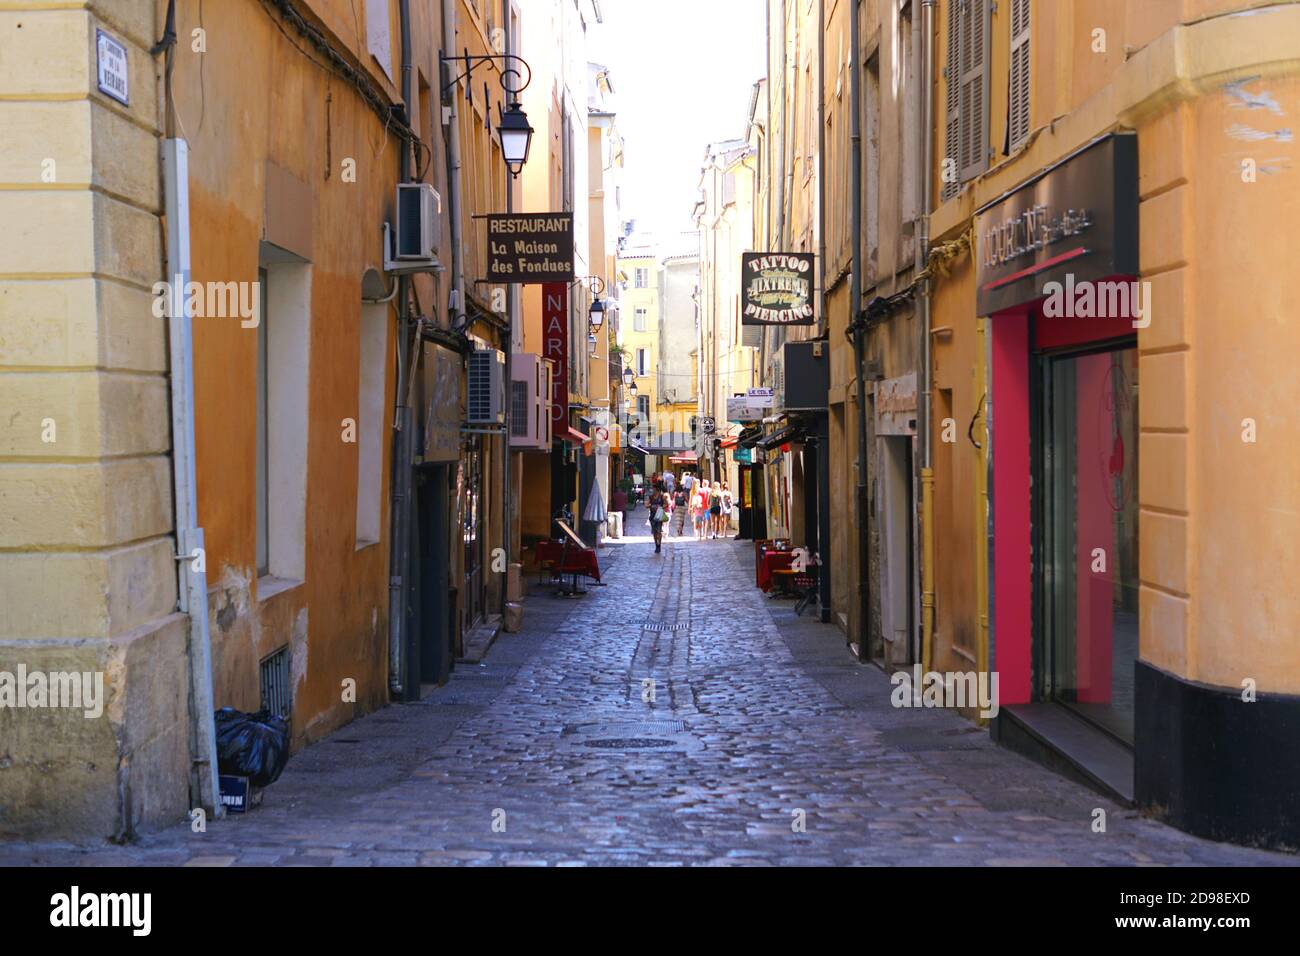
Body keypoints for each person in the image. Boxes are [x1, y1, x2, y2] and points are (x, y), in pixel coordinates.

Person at [647, 480, 668, 554]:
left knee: (659, 531)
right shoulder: (651, 497)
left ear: (657, 490)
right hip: (652, 515)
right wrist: (650, 505)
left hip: (659, 515)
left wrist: (660, 507)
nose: (652, 490)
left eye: (653, 489)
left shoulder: (662, 496)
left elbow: (666, 504)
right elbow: (646, 505)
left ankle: (659, 545)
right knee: (654, 532)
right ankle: (656, 544)